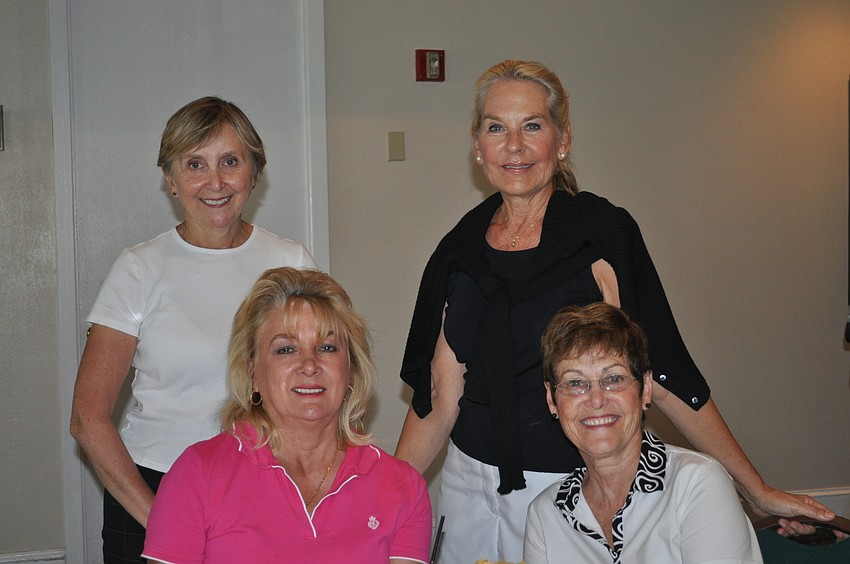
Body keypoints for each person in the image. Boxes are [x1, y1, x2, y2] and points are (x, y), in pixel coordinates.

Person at [394, 59, 832, 563]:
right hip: (467, 490)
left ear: (562, 140)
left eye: (532, 126)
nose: (514, 145)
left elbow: (664, 373)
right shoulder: (459, 250)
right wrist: (387, 500)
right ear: (477, 145)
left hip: (566, 491)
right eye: (497, 128)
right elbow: (439, 398)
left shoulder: (601, 234)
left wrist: (755, 489)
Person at [69, 97, 317, 563]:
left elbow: (324, 382)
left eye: (230, 161)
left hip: (266, 488)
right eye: (195, 164)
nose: (215, 182)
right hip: (153, 491)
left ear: (254, 172)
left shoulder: (291, 262)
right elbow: (88, 417)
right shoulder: (139, 269)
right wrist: (165, 519)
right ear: (171, 179)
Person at [142, 267, 433, 563]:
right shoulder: (197, 474)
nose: (309, 365)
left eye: (327, 347)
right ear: (252, 371)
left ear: (352, 370)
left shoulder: (403, 488)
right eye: (286, 349)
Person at [524, 303, 763, 563]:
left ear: (646, 389)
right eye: (575, 383)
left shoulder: (695, 484)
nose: (596, 400)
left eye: (613, 378)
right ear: (552, 399)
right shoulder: (545, 514)